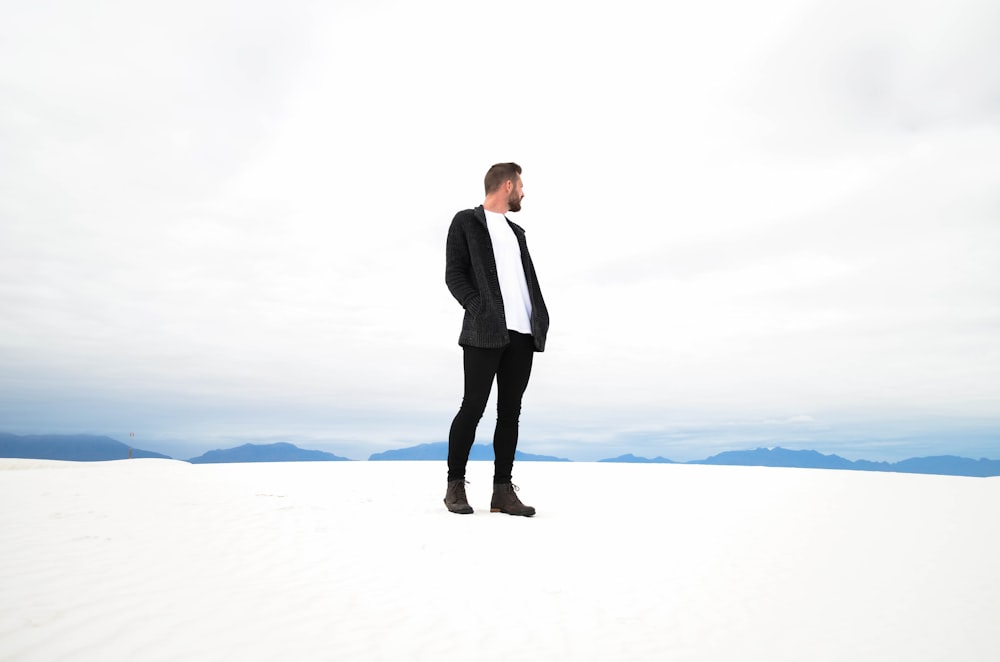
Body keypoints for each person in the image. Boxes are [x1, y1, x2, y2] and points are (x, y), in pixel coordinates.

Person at [443, 162, 550, 517]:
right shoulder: (466, 222)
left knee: (510, 413)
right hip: (483, 330)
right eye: (521, 185)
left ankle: (502, 492)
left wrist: (539, 316)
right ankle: (455, 486)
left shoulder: (517, 232)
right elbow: (454, 274)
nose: (523, 192)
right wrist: (478, 309)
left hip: (522, 333)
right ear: (507, 185)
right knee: (472, 406)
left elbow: (525, 280)